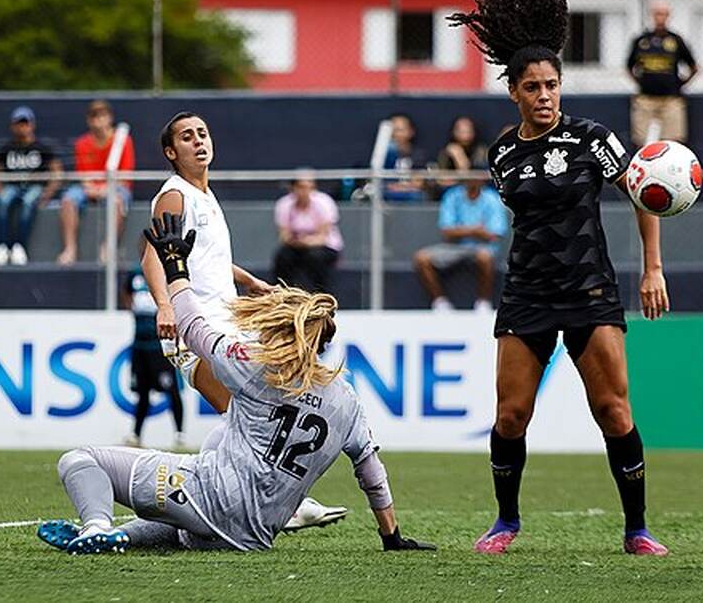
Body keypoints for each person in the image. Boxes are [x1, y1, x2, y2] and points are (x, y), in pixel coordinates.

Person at [36, 213, 435, 554]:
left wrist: (176, 270)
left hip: (206, 496)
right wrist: (391, 536)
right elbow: (370, 470)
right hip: (250, 536)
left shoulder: (256, 367)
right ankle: (117, 536)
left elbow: (192, 328)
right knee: (182, 527)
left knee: (80, 461)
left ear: (282, 328)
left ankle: (96, 529)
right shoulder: (347, 401)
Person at [450, 0, 671, 556]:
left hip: (590, 289)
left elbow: (642, 192)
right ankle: (505, 521)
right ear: (514, 91)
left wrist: (651, 267)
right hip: (527, 293)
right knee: (511, 415)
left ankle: (637, 529)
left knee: (613, 410)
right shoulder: (501, 154)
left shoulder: (590, 138)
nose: (544, 96)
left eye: (551, 85)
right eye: (532, 87)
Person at [142, 111, 346, 532]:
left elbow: (208, 258)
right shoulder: (174, 195)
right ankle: (274, 505)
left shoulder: (204, 196)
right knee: (241, 410)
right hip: (192, 327)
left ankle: (267, 501)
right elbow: (154, 256)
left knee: (258, 408)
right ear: (170, 152)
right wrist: (164, 306)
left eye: (202, 133)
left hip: (225, 322)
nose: (198, 141)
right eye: (186, 137)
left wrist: (251, 282)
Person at [122, 237, 184, 449]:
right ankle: (136, 434)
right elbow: (127, 295)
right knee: (142, 392)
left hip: (161, 344)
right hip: (140, 344)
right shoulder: (134, 274)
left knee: (171, 389)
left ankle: (179, 433)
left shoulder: (167, 273)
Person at [58, 100, 136, 265]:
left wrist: (106, 189)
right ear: (89, 120)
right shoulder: (82, 143)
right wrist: (92, 188)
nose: (98, 120)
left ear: (110, 118)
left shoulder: (123, 140)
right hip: (89, 189)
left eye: (102, 116)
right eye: (94, 116)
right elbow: (83, 174)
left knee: (117, 201)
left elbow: (125, 175)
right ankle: (70, 249)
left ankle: (107, 248)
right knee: (68, 200)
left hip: (116, 187)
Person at [412, 176, 507, 311]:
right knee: (421, 258)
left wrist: (461, 230)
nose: (473, 180)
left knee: (485, 257)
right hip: (454, 247)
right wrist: (475, 230)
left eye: (476, 176)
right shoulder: (452, 195)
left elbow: (494, 235)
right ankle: (440, 302)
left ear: (482, 180)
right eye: (469, 176)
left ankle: (483, 303)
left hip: (482, 247)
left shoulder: (492, 198)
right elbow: (447, 232)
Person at [0, 106, 62, 266]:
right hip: (12, 186)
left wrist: (47, 193)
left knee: (28, 202)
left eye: (25, 123)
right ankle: (3, 245)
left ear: (32, 125)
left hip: (35, 187)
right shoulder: (6, 149)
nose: (22, 127)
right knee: (3, 200)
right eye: (19, 124)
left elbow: (57, 171)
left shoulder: (42, 149)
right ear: (12, 126)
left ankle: (19, 246)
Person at [626, 1, 698, 147]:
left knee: (674, 141)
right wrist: (640, 83)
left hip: (671, 99)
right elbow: (629, 67)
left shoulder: (676, 41)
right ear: (652, 15)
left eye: (663, 14)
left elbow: (694, 67)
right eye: (657, 13)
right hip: (645, 98)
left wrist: (680, 84)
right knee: (640, 139)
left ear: (668, 16)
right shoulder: (641, 40)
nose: (660, 17)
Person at [272, 175, 343, 292]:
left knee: (315, 257)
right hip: (296, 247)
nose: (304, 192)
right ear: (293, 188)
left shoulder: (324, 202)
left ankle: (321, 296)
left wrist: (307, 241)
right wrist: (296, 241)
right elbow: (284, 235)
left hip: (325, 247)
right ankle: (284, 295)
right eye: (301, 187)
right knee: (283, 257)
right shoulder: (284, 204)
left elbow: (323, 235)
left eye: (309, 187)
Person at [434, 116, 488, 195]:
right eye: (460, 130)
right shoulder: (447, 151)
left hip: (479, 193)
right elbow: (440, 179)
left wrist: (459, 156)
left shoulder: (481, 150)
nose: (465, 132)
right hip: (451, 191)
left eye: (468, 129)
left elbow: (478, 177)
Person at [382, 113, 428, 201]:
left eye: (400, 130)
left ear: (410, 132)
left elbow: (418, 183)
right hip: (387, 192)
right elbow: (380, 181)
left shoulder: (417, 155)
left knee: (418, 196)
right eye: (393, 130)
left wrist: (402, 188)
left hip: (410, 192)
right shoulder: (384, 154)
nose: (396, 134)